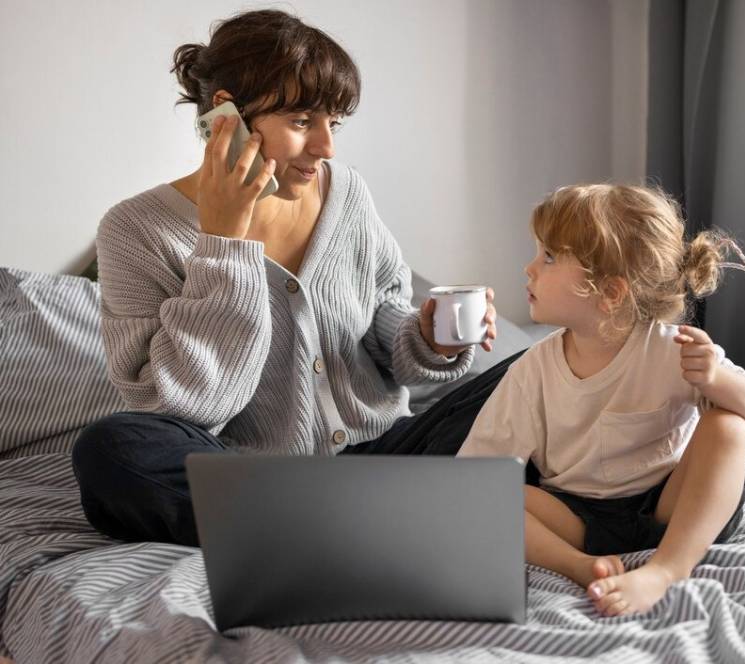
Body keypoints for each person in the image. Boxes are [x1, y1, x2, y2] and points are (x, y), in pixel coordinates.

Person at [71, 9, 514, 547]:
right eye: (303, 122)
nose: (326, 147)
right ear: (225, 116)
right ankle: (362, 523)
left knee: (537, 373)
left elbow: (383, 330)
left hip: (387, 450)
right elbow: (179, 408)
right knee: (111, 448)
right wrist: (225, 245)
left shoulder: (347, 195)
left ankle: (332, 525)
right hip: (257, 477)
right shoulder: (136, 229)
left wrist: (427, 338)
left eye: (334, 123)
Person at [458, 183, 745, 616]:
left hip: (671, 506)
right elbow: (475, 476)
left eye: (550, 257)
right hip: (576, 520)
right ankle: (582, 567)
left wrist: (716, 378)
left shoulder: (671, 350)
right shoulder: (531, 371)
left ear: (611, 293)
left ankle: (667, 568)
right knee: (490, 494)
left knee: (730, 425)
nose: (530, 269)